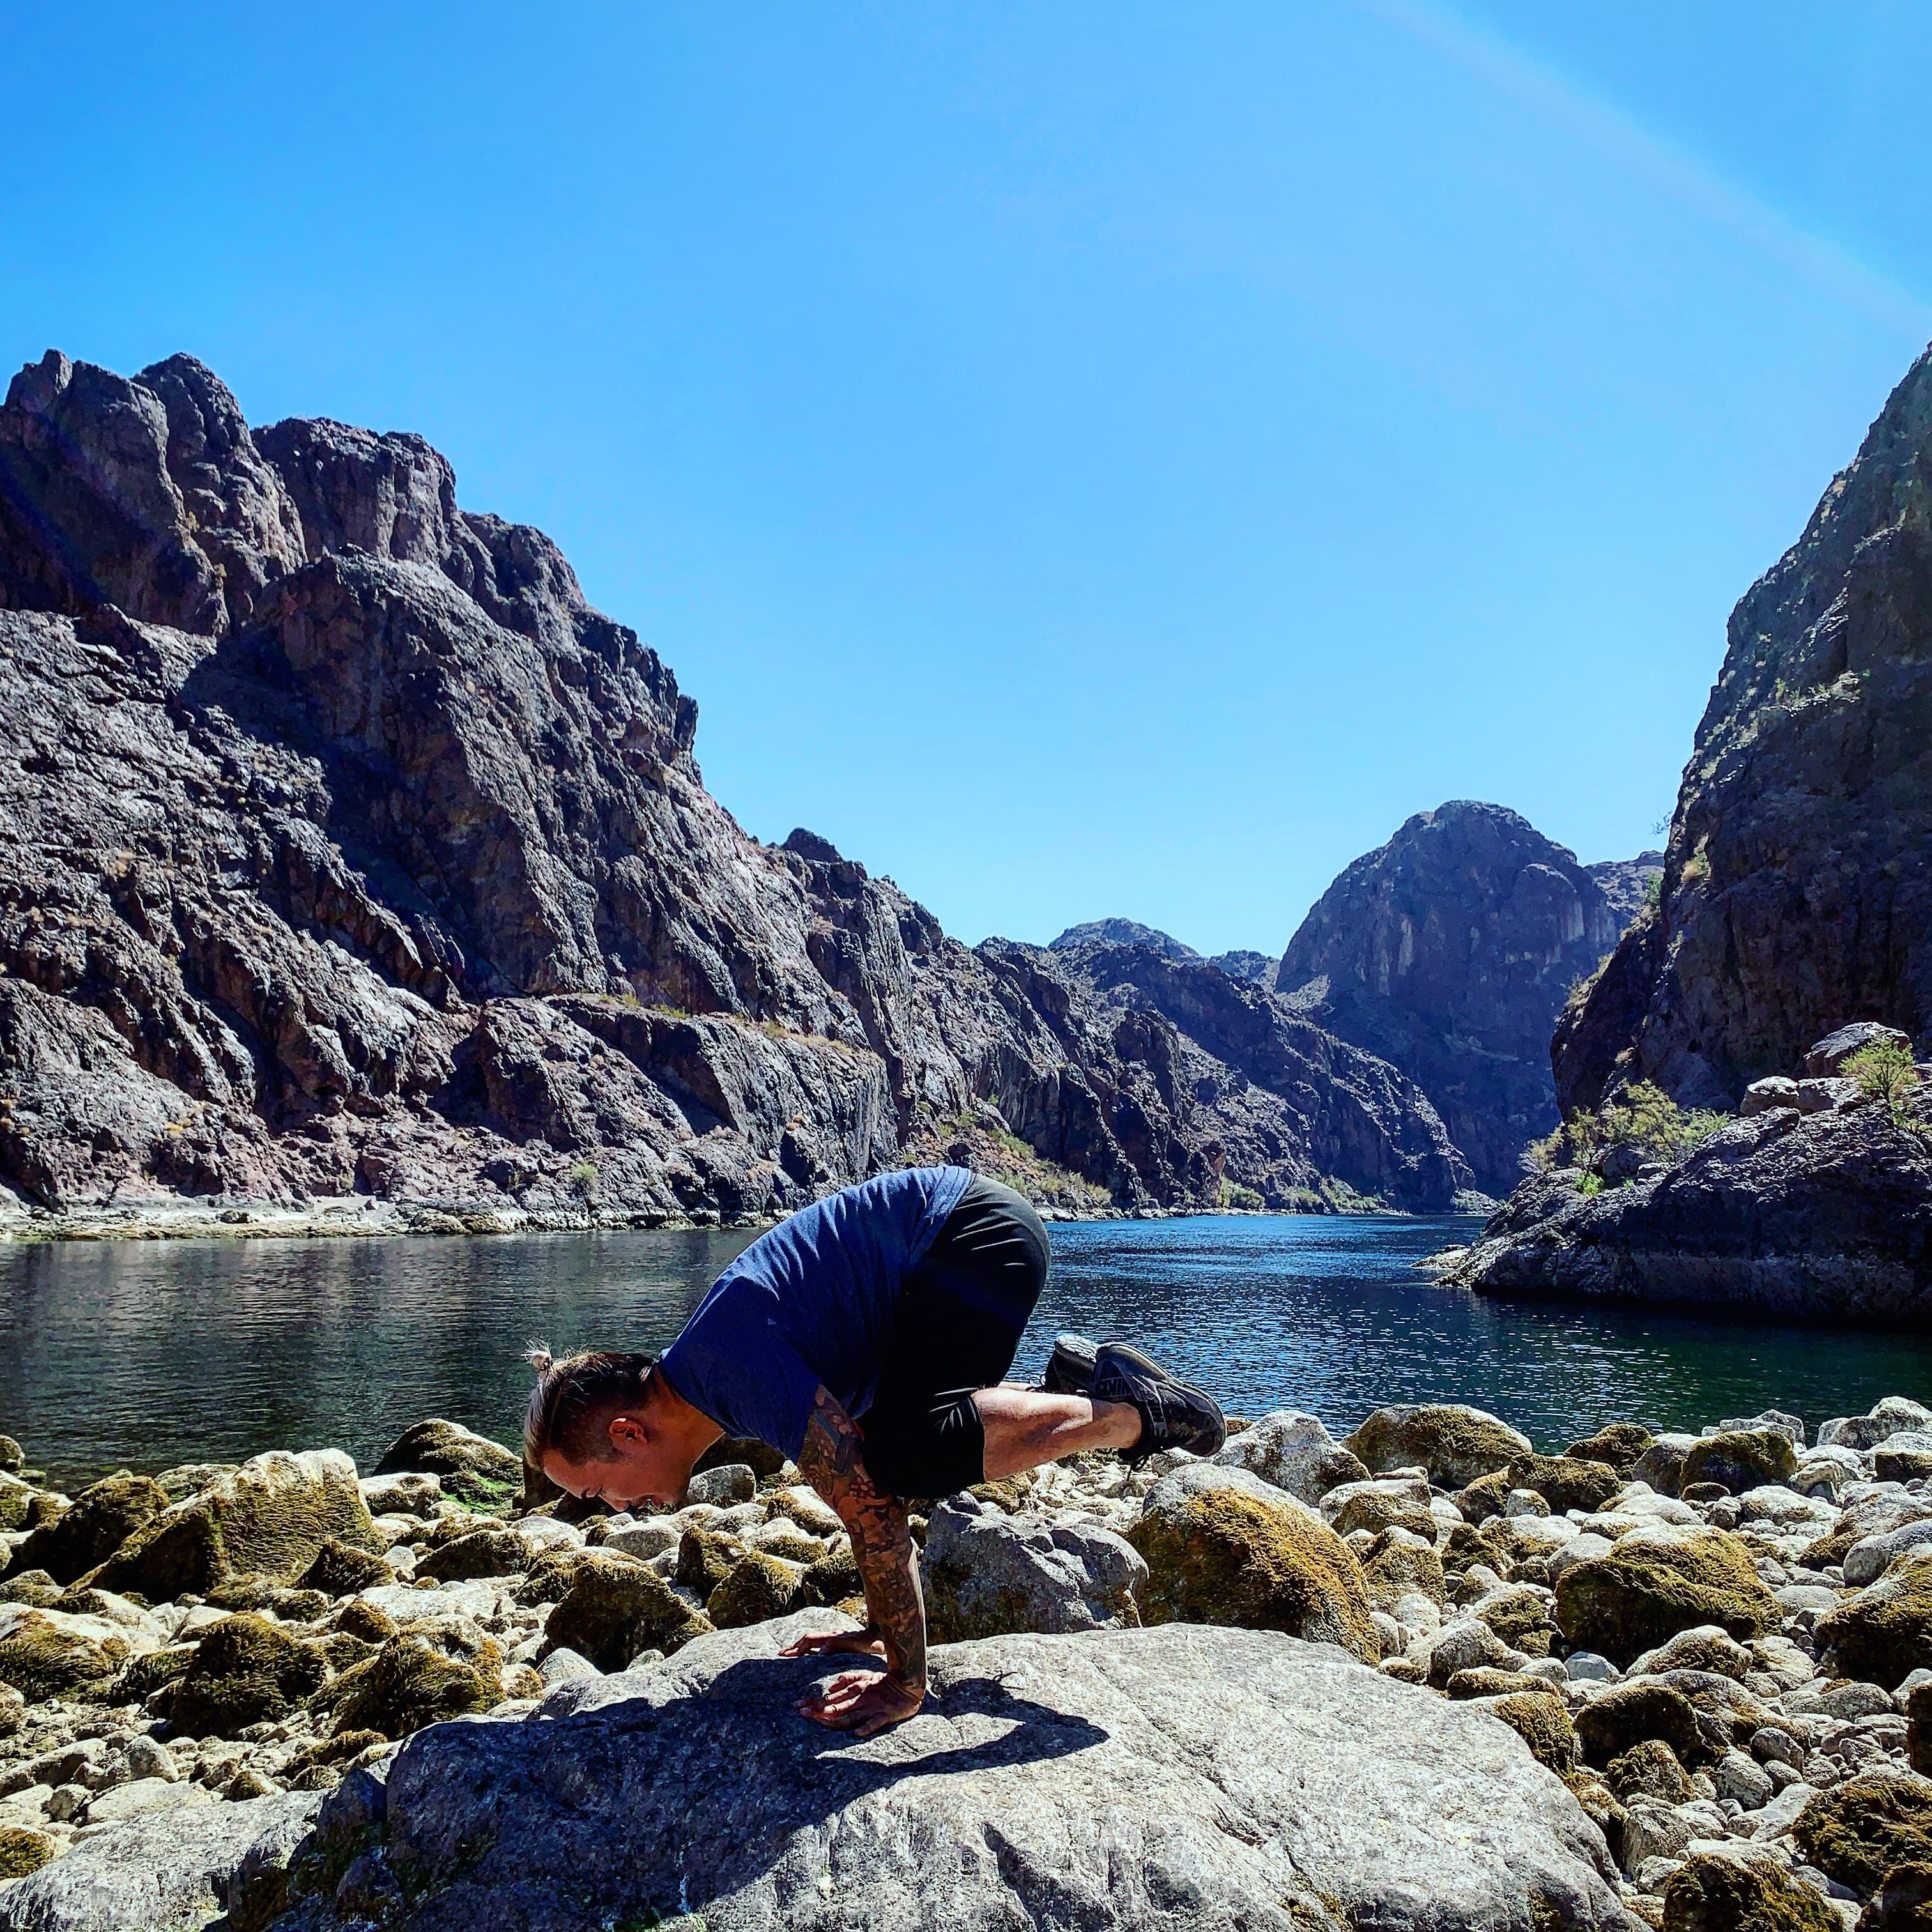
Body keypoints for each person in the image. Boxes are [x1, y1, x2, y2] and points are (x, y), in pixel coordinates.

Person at [523, 1165, 1223, 1737]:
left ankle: (1135, 1415)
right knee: (895, 1441)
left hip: (974, 1236)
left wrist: (904, 1683)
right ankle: (1072, 1387)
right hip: (960, 1248)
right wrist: (877, 1628)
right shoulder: (714, 1380)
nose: (613, 1511)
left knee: (901, 1457)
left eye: (595, 1492)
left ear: (628, 1433)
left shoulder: (729, 1369)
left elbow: (873, 1512)